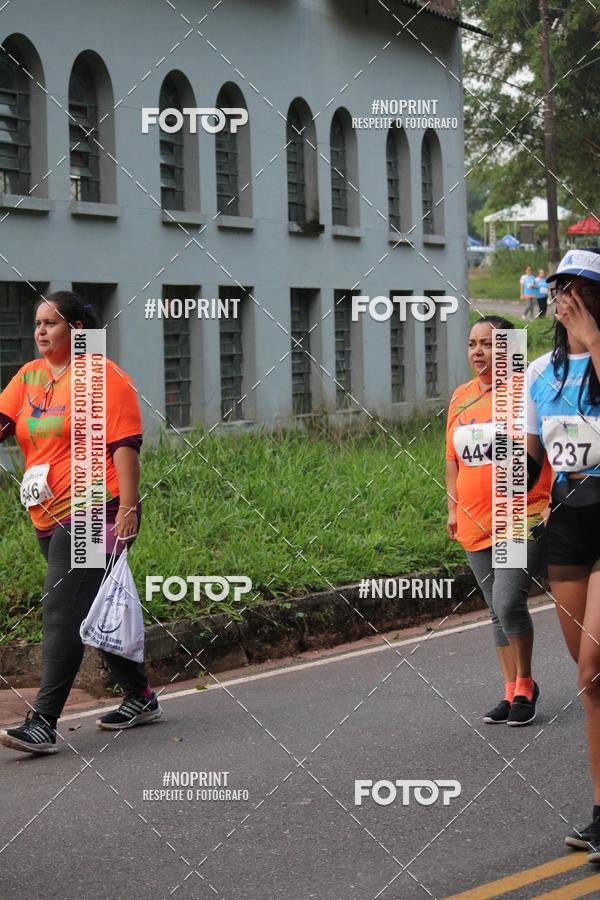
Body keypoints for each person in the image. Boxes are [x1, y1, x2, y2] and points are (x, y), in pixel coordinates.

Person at [0, 292, 162, 755]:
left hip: (98, 506)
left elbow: (125, 446)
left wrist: (129, 507)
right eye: (37, 323)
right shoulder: (30, 377)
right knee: (91, 608)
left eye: (51, 322)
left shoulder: (101, 376)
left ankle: (43, 722)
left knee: (62, 609)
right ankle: (140, 696)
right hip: (47, 513)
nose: (40, 331)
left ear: (77, 329)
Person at [526, 248, 600, 863]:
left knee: (590, 671)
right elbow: (531, 458)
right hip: (568, 524)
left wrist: (594, 339)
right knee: (592, 676)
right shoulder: (537, 373)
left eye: (581, 286)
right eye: (561, 285)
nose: (568, 294)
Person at [446, 315, 552, 726]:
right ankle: (509, 692)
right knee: (495, 609)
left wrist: (554, 498)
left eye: (488, 344)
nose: (478, 352)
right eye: (473, 344)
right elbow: (452, 460)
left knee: (509, 602)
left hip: (519, 515)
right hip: (474, 519)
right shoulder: (460, 397)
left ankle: (526, 684)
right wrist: (452, 507)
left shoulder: (528, 389)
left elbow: (553, 443)